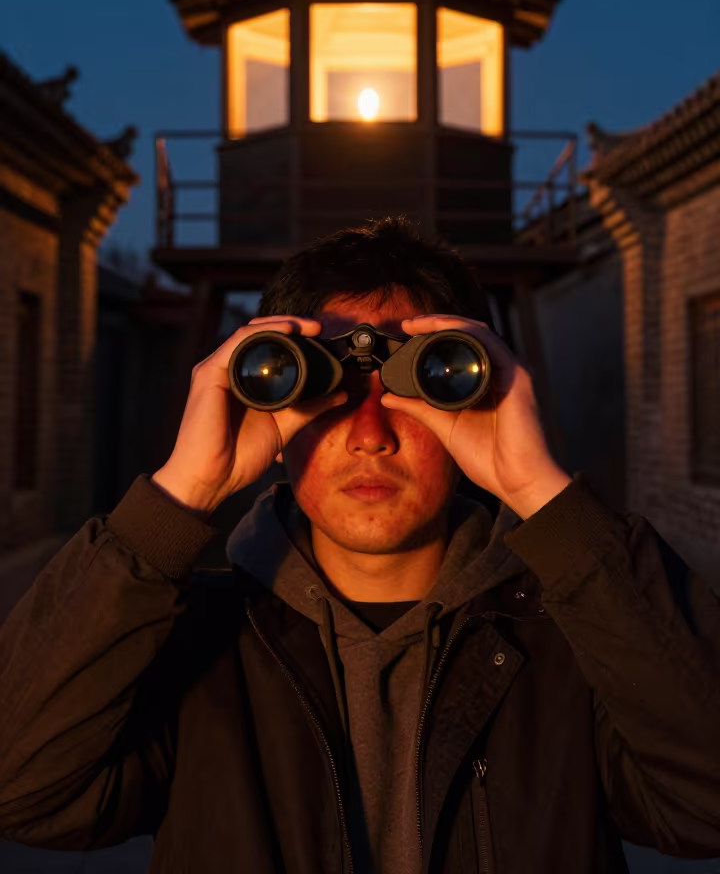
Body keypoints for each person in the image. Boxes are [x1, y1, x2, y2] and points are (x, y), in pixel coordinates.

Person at [1, 216, 719, 874]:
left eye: (425, 380)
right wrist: (182, 491)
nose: (370, 434)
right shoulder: (192, 645)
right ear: (267, 400)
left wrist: (541, 492)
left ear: (481, 393)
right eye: (329, 390)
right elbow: (21, 788)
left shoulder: (579, 639)